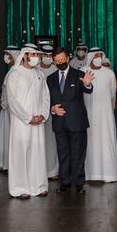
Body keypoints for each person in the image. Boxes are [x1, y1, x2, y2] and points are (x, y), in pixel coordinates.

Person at [5, 44, 51, 199]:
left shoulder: (40, 73)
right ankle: (20, 188)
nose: (36, 58)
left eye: (37, 55)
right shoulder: (15, 73)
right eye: (33, 54)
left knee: (37, 153)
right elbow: (12, 100)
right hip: (22, 122)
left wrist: (43, 115)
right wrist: (28, 117)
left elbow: (46, 96)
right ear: (24, 55)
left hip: (38, 121)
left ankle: (39, 186)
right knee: (21, 154)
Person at [46, 47, 94, 194]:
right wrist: (52, 109)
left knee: (78, 154)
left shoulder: (79, 74)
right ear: (54, 61)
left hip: (77, 122)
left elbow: (88, 89)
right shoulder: (50, 79)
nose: (60, 62)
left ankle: (79, 183)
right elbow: (46, 100)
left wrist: (87, 83)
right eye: (57, 60)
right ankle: (64, 183)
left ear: (67, 58)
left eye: (62, 59)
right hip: (59, 123)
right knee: (63, 153)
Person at [84, 48, 117, 182]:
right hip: (88, 114)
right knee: (89, 144)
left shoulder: (109, 74)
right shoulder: (83, 72)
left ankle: (109, 174)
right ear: (91, 57)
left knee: (106, 142)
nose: (99, 57)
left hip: (106, 116)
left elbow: (113, 95)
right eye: (96, 55)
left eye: (101, 55)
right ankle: (90, 174)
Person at [0, 46, 22, 171]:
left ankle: (12, 164)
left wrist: (3, 104)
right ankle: (5, 163)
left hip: (12, 111)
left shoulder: (17, 71)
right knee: (5, 135)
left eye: (8, 54)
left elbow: (15, 94)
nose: (6, 57)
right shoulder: (11, 70)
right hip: (6, 110)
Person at [39, 44, 59, 180]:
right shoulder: (35, 70)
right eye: (44, 55)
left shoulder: (56, 70)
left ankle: (53, 171)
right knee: (39, 142)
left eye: (49, 55)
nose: (46, 58)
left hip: (53, 111)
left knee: (52, 142)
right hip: (38, 112)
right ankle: (39, 172)